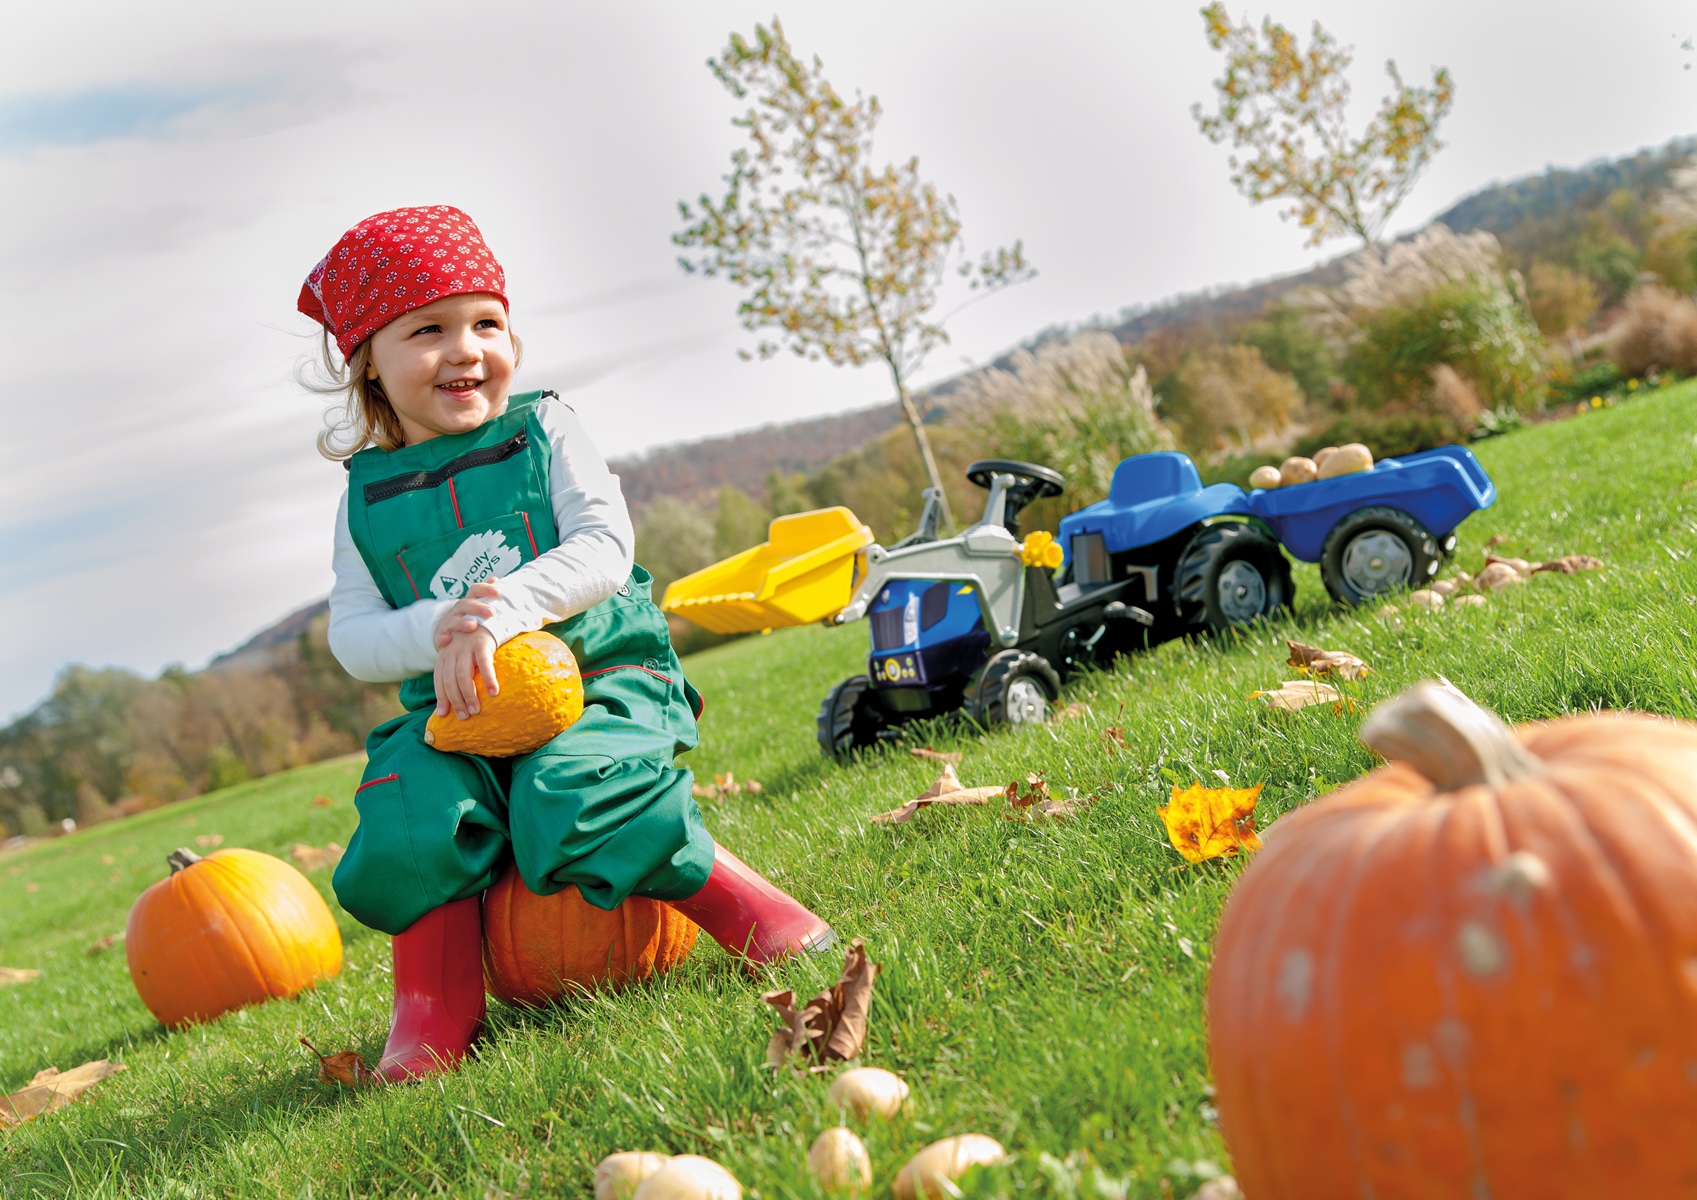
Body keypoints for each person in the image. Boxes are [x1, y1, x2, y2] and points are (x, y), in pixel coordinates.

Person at [301, 206, 833, 1083]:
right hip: (462, 711)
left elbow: (602, 547)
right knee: (407, 804)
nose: (465, 349)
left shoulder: (544, 430)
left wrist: (504, 606)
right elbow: (353, 637)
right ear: (369, 366)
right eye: (427, 331)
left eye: (486, 323)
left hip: (602, 675)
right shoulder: (365, 498)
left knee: (575, 784)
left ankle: (750, 910)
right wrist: (441, 627)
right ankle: (433, 1006)